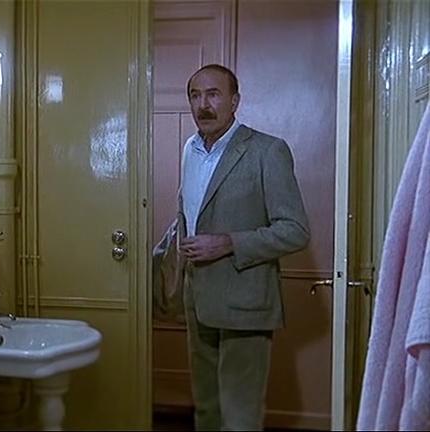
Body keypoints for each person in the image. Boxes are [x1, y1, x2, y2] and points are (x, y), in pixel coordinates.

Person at [178, 64, 310, 430]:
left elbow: (296, 231)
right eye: (195, 95)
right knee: (206, 411)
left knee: (239, 418)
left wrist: (228, 243)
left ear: (235, 101)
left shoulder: (267, 151)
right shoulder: (190, 150)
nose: (203, 105)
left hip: (245, 303)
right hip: (197, 299)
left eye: (213, 94)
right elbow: (191, 214)